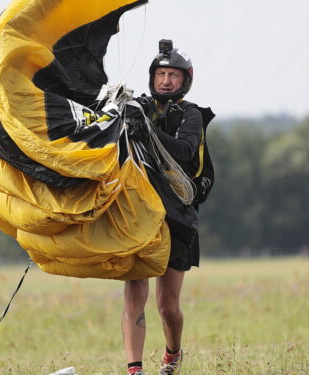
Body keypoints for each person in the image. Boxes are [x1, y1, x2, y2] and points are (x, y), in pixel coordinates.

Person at [122, 39, 215, 375]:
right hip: (139, 214)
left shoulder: (191, 116)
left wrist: (146, 131)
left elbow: (186, 151)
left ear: (184, 79)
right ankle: (134, 369)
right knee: (135, 292)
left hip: (178, 218)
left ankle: (173, 352)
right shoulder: (138, 109)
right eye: (160, 74)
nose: (165, 81)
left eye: (173, 75)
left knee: (166, 305)